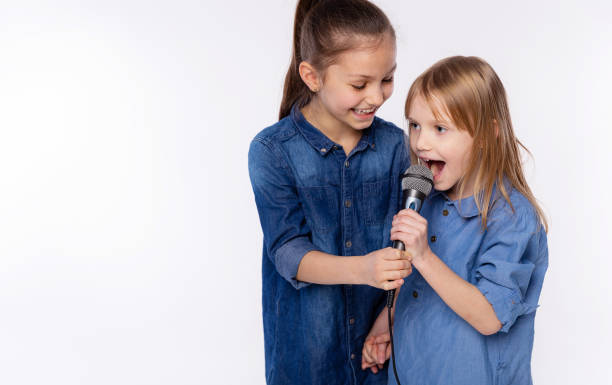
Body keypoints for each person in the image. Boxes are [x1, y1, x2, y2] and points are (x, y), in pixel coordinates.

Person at [248, 0, 412, 384]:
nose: (376, 96)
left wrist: (386, 319)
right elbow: (288, 252)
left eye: (387, 79)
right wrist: (364, 270)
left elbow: (414, 245)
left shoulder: (396, 147)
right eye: (359, 84)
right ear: (312, 76)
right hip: (307, 359)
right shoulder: (272, 151)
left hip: (381, 355)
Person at [361, 56, 549, 385]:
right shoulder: (426, 200)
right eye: (415, 125)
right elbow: (417, 285)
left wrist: (424, 256)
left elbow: (490, 316)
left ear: (486, 134)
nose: (421, 142)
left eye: (439, 129)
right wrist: (386, 318)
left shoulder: (513, 218)